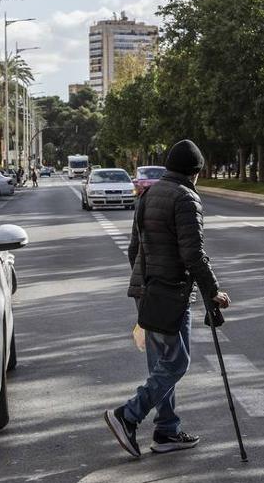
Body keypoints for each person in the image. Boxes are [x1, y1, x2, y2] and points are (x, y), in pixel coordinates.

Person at [104, 139, 230, 458]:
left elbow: (135, 248)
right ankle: (128, 415)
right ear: (195, 172)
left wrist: (146, 283)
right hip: (170, 293)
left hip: (148, 291)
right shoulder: (186, 197)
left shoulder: (149, 194)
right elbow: (194, 255)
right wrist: (213, 291)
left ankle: (167, 430)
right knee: (177, 362)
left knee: (161, 365)